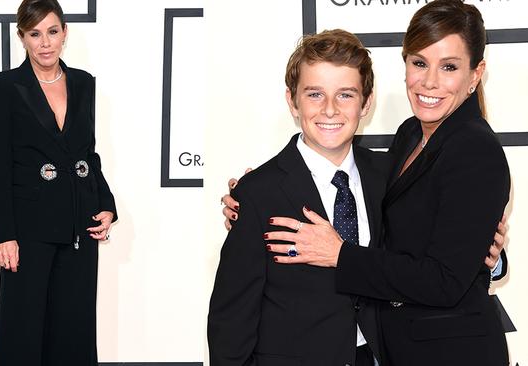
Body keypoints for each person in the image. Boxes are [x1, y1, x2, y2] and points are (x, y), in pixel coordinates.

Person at [262, 1, 510, 365]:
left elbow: (443, 281)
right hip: (401, 348)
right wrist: (264, 190)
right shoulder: (412, 134)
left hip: (452, 353)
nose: (429, 82)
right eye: (419, 63)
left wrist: (340, 255)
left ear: (476, 74)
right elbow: (390, 201)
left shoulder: (475, 150)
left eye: (449, 67)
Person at [208, 29, 389, 366]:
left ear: (366, 102)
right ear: (292, 101)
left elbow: (423, 264)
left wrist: (491, 258)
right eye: (315, 94)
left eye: (346, 95)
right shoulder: (257, 193)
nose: (331, 110)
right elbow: (230, 321)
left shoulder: (391, 176)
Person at [0, 0, 117, 364]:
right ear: (22, 38)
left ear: (65, 34)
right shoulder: (5, 87)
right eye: (35, 34)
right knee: (22, 332)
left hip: (79, 223)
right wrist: (4, 235)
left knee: (74, 330)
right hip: (28, 229)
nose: (45, 43)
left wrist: (106, 204)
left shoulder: (83, 83)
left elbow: (87, 155)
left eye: (53, 32)